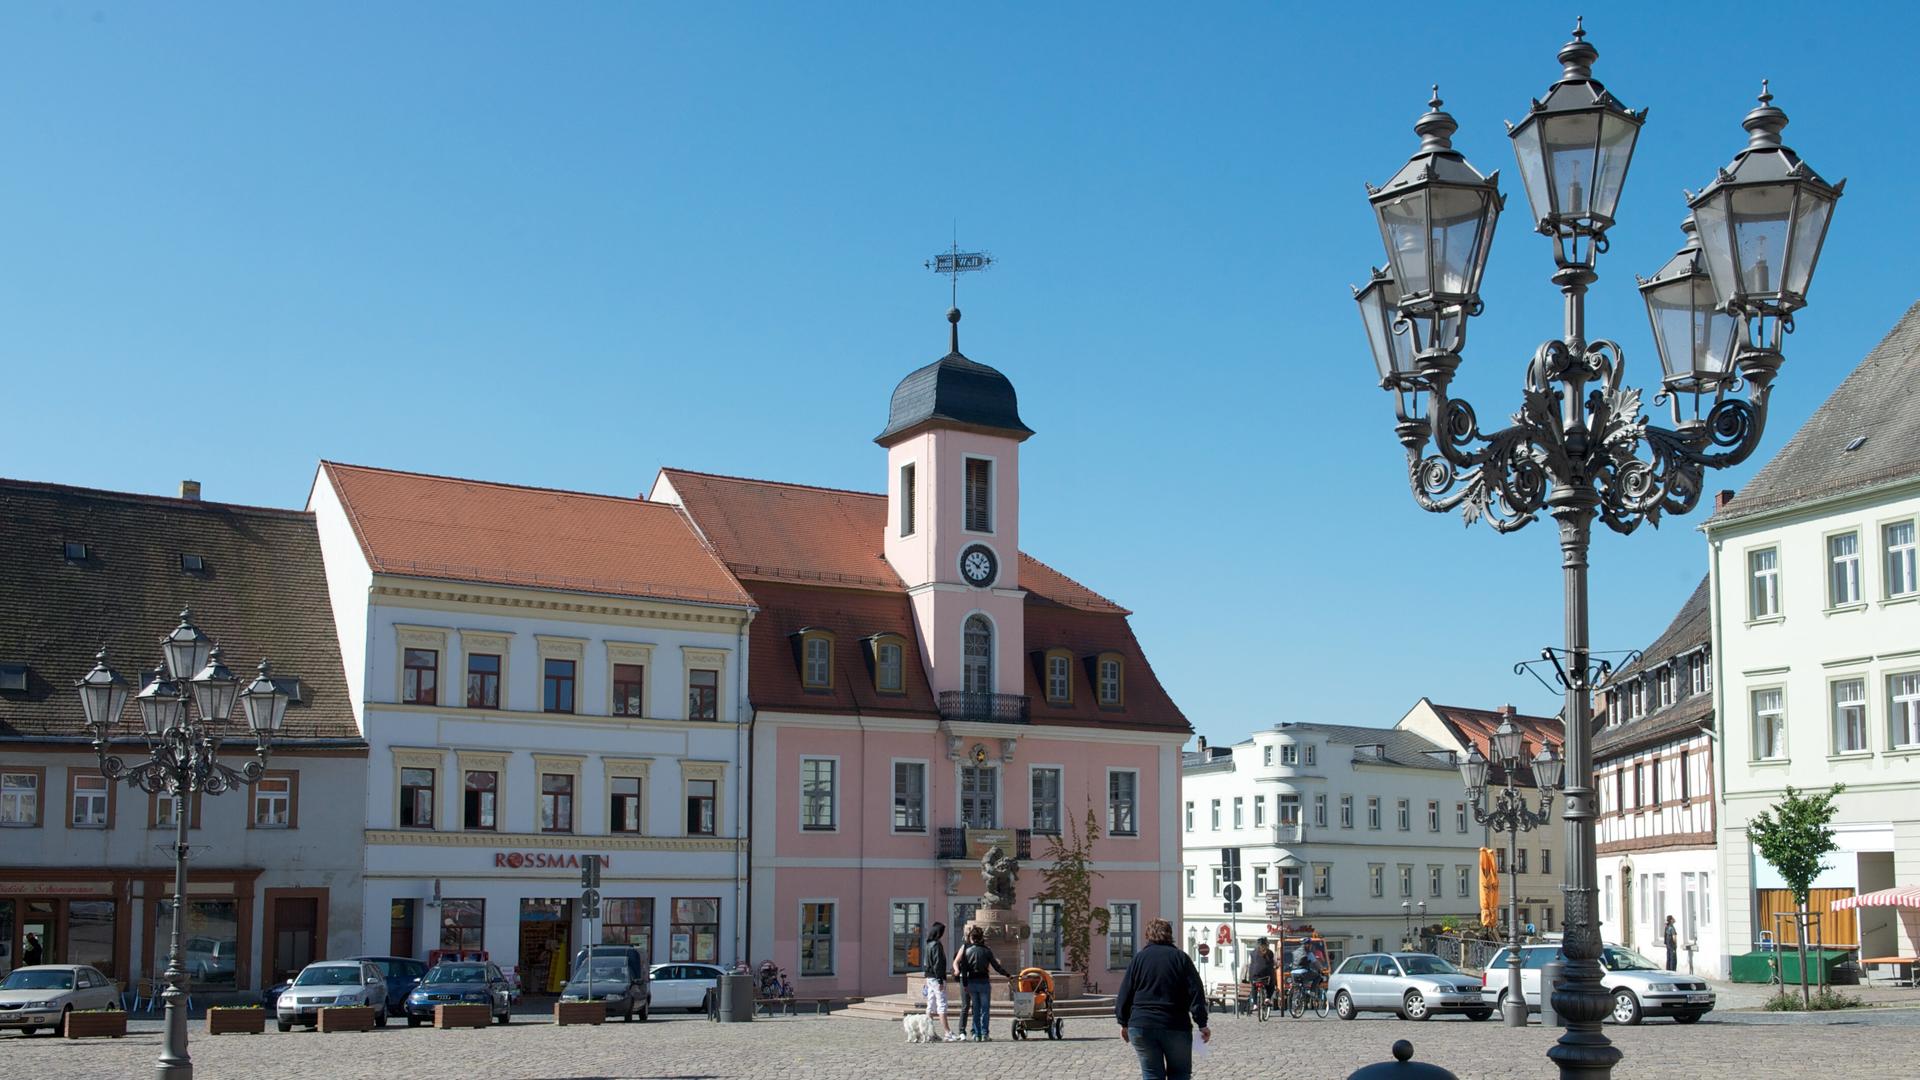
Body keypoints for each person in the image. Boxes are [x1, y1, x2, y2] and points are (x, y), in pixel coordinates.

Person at [1116, 918, 1209, 1080]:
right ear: (1170, 935)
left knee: (1151, 1073)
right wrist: (1202, 1023)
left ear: (1148, 935)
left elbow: (1125, 993)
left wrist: (1123, 1022)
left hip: (1142, 1025)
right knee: (1180, 1073)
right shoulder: (1181, 958)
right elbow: (1196, 992)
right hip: (1175, 1024)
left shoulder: (1139, 959)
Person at [954, 925, 1012, 1041]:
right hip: (984, 982)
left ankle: (976, 1034)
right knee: (984, 1009)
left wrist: (965, 984)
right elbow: (996, 966)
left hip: (971, 982)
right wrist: (1007, 975)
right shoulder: (986, 951)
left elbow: (964, 969)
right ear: (981, 938)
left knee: (975, 1009)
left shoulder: (967, 950)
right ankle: (985, 1033)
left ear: (971, 938)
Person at [922, 922, 959, 1042]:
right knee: (941, 1004)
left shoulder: (928, 944)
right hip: (936, 978)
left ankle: (929, 1032)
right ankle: (947, 1032)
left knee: (931, 1005)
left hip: (929, 977)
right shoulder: (937, 945)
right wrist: (940, 980)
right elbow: (938, 964)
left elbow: (926, 963)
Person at [1246, 937, 1277, 1011]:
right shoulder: (1270, 953)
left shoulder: (1252, 953)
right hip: (1266, 976)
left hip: (1254, 975)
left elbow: (1248, 963)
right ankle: (1268, 998)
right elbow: (1275, 963)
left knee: (1254, 987)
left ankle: (1255, 1004)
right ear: (1267, 945)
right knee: (1271, 985)